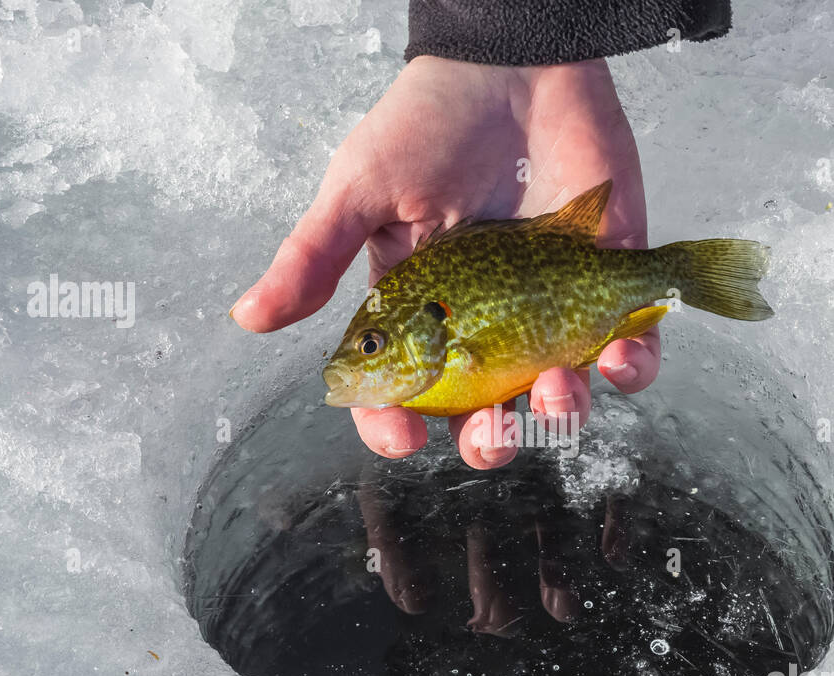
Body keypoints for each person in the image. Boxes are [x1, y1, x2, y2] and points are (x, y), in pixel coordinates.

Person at [230, 1, 733, 469]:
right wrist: (504, 39)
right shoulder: (430, 351)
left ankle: (686, 271)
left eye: (371, 346)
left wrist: (493, 37)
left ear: (429, 331)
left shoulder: (443, 352)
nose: (353, 365)